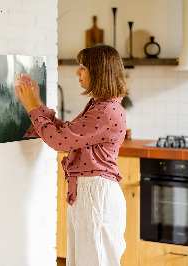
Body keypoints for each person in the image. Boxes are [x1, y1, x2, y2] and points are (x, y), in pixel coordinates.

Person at [16, 44, 128, 266]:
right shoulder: (101, 106)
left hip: (96, 195)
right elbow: (67, 133)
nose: (77, 72)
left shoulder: (105, 111)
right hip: (91, 193)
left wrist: (31, 108)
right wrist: (37, 104)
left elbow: (59, 141)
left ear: (99, 72)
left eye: (83, 67)